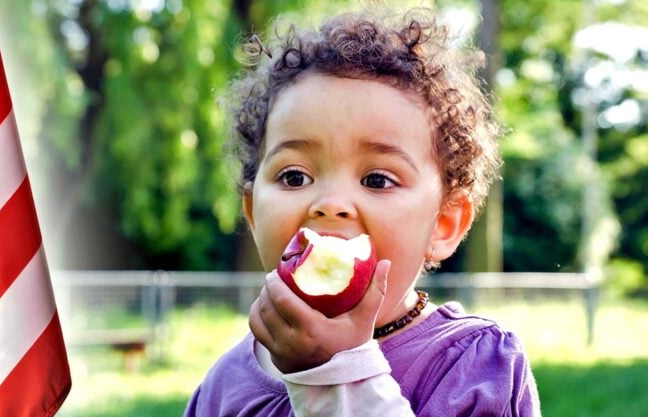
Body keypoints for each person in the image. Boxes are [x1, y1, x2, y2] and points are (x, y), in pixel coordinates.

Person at [185, 5, 540, 417]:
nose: (330, 205)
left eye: (376, 180)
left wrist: (335, 375)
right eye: (295, 177)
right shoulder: (225, 385)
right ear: (252, 211)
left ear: (443, 224)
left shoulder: (474, 367)